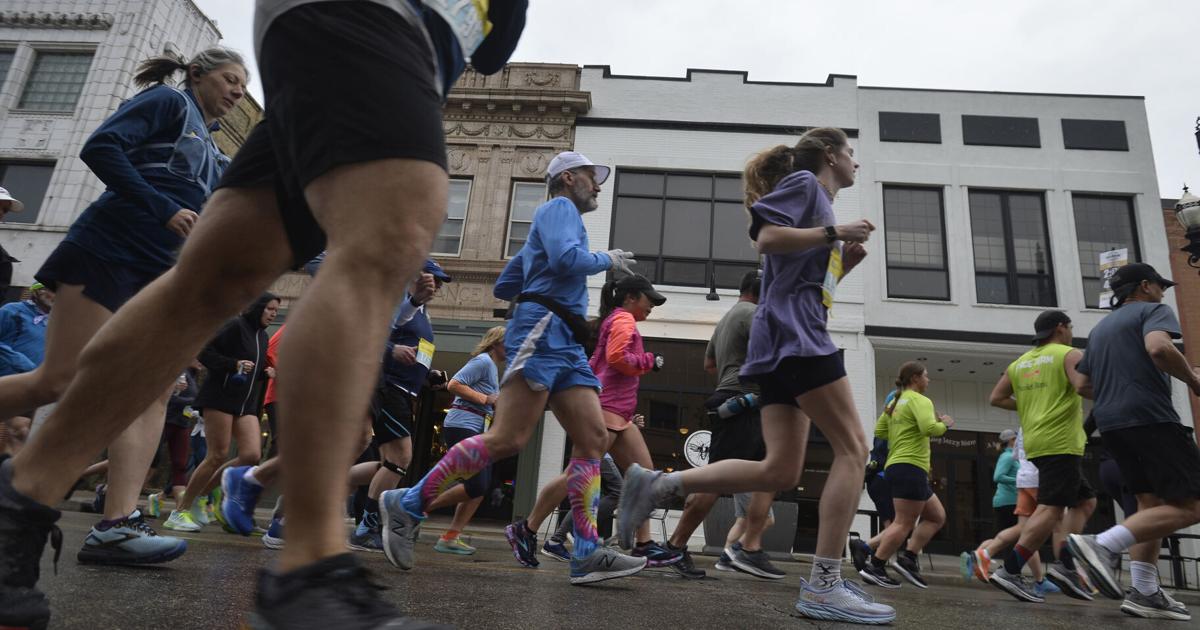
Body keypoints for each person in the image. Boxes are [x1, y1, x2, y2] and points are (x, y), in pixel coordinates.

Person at [0, 0, 526, 626]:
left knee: (212, 281)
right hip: (372, 22)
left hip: (363, 45)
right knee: (390, 234)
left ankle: (16, 511)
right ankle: (309, 568)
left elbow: (494, 47)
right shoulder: (172, 105)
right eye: (228, 82)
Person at [616, 128, 895, 624]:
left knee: (780, 471)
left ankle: (656, 486)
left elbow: (799, 282)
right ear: (830, 155)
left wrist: (841, 266)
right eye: (851, 154)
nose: (857, 163)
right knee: (854, 448)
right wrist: (836, 234)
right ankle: (826, 585)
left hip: (785, 336)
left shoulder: (818, 204)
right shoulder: (808, 185)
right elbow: (766, 239)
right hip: (797, 337)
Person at [0, 48, 246, 577]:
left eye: (244, 86)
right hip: (106, 252)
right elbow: (101, 148)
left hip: (155, 273)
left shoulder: (212, 146)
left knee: (152, 388)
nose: (238, 91)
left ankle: (117, 526)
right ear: (199, 75)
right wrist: (162, 207)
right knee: (56, 381)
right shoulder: (166, 101)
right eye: (231, 79)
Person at [379, 150, 648, 586]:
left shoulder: (549, 220)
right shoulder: (559, 209)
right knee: (508, 438)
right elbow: (564, 261)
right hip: (544, 333)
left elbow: (507, 284)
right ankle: (408, 503)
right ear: (566, 180)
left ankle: (584, 551)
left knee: (593, 438)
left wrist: (537, 268)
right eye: (589, 177)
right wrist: (606, 260)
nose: (597, 185)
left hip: (562, 340)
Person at [507, 273, 681, 569]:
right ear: (630, 298)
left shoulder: (617, 319)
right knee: (578, 474)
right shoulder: (623, 320)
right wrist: (649, 361)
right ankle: (527, 528)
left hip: (620, 413)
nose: (652, 306)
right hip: (607, 408)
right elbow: (616, 357)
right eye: (648, 299)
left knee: (645, 475)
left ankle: (644, 544)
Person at [1067, 263, 1198, 621]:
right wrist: (1193, 380)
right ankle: (1102, 544)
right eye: (1160, 286)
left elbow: (1082, 386)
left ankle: (1144, 590)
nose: (1164, 292)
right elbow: (1159, 349)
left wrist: (1118, 390)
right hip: (1150, 417)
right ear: (1144, 286)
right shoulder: (1153, 311)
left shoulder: (1101, 329)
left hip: (1111, 424)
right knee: (1193, 504)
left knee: (1149, 505)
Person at [661, 270, 784, 581]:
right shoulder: (754, 314)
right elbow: (768, 356)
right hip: (745, 403)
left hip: (730, 398)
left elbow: (709, 364)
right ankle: (676, 545)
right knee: (715, 480)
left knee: (764, 475)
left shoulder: (728, 317)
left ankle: (745, 549)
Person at [987, 310, 1097, 602]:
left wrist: (1030, 404)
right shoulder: (1069, 354)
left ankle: (1067, 565)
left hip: (1036, 443)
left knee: (1084, 500)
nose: (1071, 331)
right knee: (1050, 509)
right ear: (1060, 328)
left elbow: (995, 398)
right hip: (1060, 441)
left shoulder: (1020, 363)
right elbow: (1082, 386)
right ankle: (1010, 570)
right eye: (1070, 327)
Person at [348, 262, 447, 552]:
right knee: (401, 458)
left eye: (440, 282)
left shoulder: (422, 314)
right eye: (433, 279)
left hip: (406, 391)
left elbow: (415, 353)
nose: (437, 286)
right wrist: (392, 349)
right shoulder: (400, 302)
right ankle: (367, 526)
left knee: (386, 464)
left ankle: (332, 486)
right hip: (388, 388)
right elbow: (370, 336)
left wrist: (428, 376)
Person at [164, 294, 278, 532]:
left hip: (244, 404)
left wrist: (262, 373)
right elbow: (204, 352)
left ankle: (202, 496)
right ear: (257, 308)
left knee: (251, 454)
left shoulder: (262, 336)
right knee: (217, 455)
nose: (273, 314)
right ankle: (180, 511)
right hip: (220, 397)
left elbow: (249, 369)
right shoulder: (236, 325)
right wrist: (233, 365)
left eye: (276, 310)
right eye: (269, 309)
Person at [858, 362, 950, 590]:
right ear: (916, 378)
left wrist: (902, 430)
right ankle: (876, 566)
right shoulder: (920, 400)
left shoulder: (895, 402)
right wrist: (944, 424)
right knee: (903, 522)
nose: (928, 380)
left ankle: (908, 557)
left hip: (897, 464)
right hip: (912, 465)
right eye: (926, 376)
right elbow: (930, 429)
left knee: (937, 516)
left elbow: (880, 431)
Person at [432, 326, 506, 556]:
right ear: (496, 343)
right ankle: (415, 507)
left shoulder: (492, 367)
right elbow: (454, 384)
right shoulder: (483, 361)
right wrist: (486, 398)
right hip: (462, 424)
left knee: (479, 486)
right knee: (478, 484)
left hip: (474, 427)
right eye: (509, 342)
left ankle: (451, 536)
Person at [963, 428, 1054, 596]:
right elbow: (998, 476)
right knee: (1026, 536)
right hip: (1008, 501)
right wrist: (1020, 480)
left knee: (1017, 536)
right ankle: (1039, 580)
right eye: (1017, 438)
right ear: (1012, 440)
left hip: (1011, 500)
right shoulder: (1007, 456)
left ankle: (977, 556)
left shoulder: (1013, 455)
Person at [147, 361, 203, 519]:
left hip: (181, 424)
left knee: (180, 465)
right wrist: (177, 392)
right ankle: (121, 500)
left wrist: (194, 409)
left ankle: (180, 512)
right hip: (164, 421)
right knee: (150, 462)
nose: (201, 363)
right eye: (198, 358)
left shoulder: (192, 375)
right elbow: (161, 396)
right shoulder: (178, 368)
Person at [0, 283, 53, 377]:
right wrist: (19, 361)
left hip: (30, 386)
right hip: (5, 380)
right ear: (37, 292)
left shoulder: (58, 321)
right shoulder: (12, 310)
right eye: (53, 291)